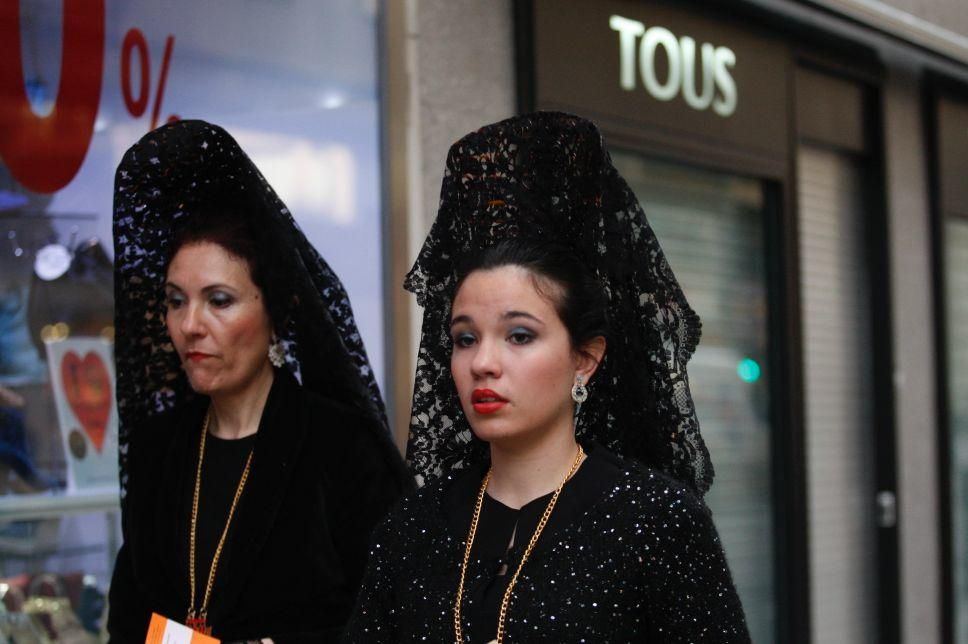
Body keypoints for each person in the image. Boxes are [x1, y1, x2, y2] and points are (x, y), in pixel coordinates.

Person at [344, 112, 750, 642]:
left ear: (585, 358)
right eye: (465, 338)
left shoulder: (657, 521)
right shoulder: (414, 527)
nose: (483, 363)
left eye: (519, 336)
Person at [107, 120, 411, 643]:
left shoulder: (341, 449)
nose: (189, 325)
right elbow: (128, 619)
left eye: (218, 300)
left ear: (277, 312)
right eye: (175, 300)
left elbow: (399, 619)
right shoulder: (158, 450)